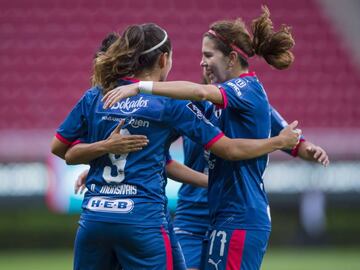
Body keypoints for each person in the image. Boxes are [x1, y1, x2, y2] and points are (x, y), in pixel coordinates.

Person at [51, 22, 300, 270]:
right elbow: (228, 148)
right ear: (163, 59)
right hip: (143, 222)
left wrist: (103, 152)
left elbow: (62, 150)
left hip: (94, 219)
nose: (202, 62)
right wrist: (279, 142)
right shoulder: (170, 103)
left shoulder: (96, 95)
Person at [101, 7, 321, 270]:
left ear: (230, 58)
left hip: (239, 213)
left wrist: (139, 86)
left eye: (208, 55)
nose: (202, 63)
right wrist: (104, 160)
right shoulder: (208, 103)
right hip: (207, 213)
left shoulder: (246, 89)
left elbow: (275, 131)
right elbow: (156, 141)